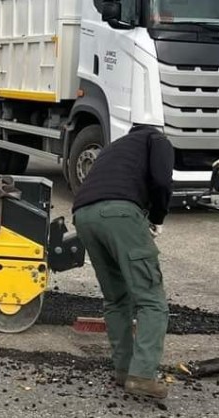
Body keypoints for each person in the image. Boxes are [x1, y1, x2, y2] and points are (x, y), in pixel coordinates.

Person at [72, 125, 174, 399]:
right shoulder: (157, 139)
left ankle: (124, 370)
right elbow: (162, 181)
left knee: (116, 298)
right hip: (120, 213)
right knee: (151, 300)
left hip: (83, 215)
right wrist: (158, 217)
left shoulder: (114, 148)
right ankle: (141, 375)